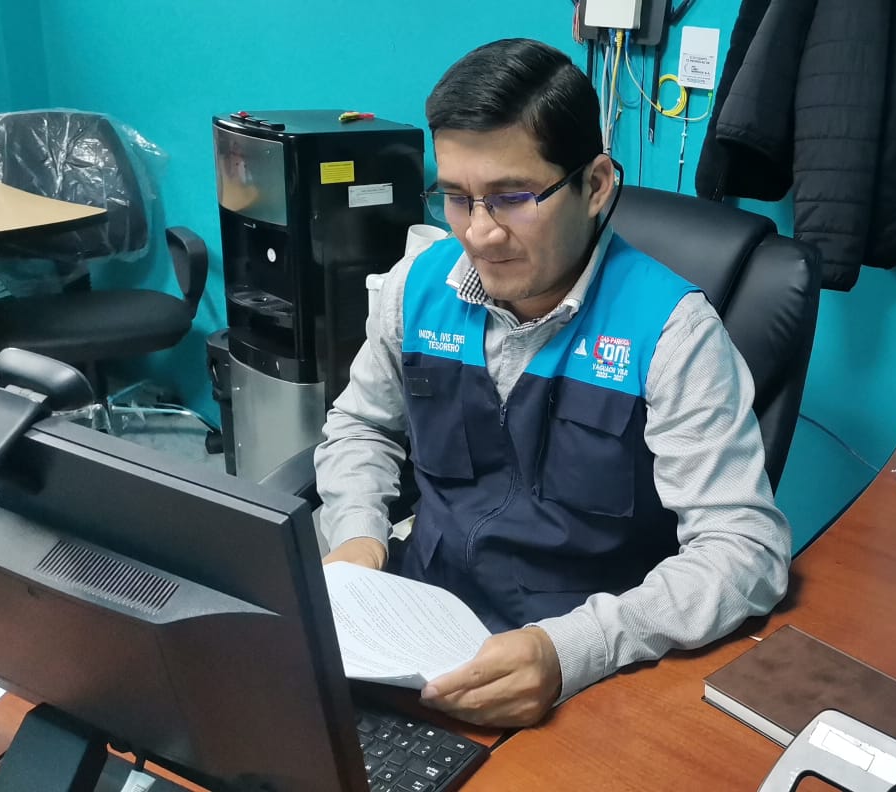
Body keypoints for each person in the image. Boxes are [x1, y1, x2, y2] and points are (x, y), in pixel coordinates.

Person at [314, 38, 790, 728]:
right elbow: (362, 426)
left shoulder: (671, 333)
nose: (479, 234)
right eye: (457, 198)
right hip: (416, 631)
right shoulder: (415, 290)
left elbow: (745, 550)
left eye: (511, 198)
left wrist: (575, 650)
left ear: (595, 186)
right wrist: (358, 537)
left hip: (584, 674)